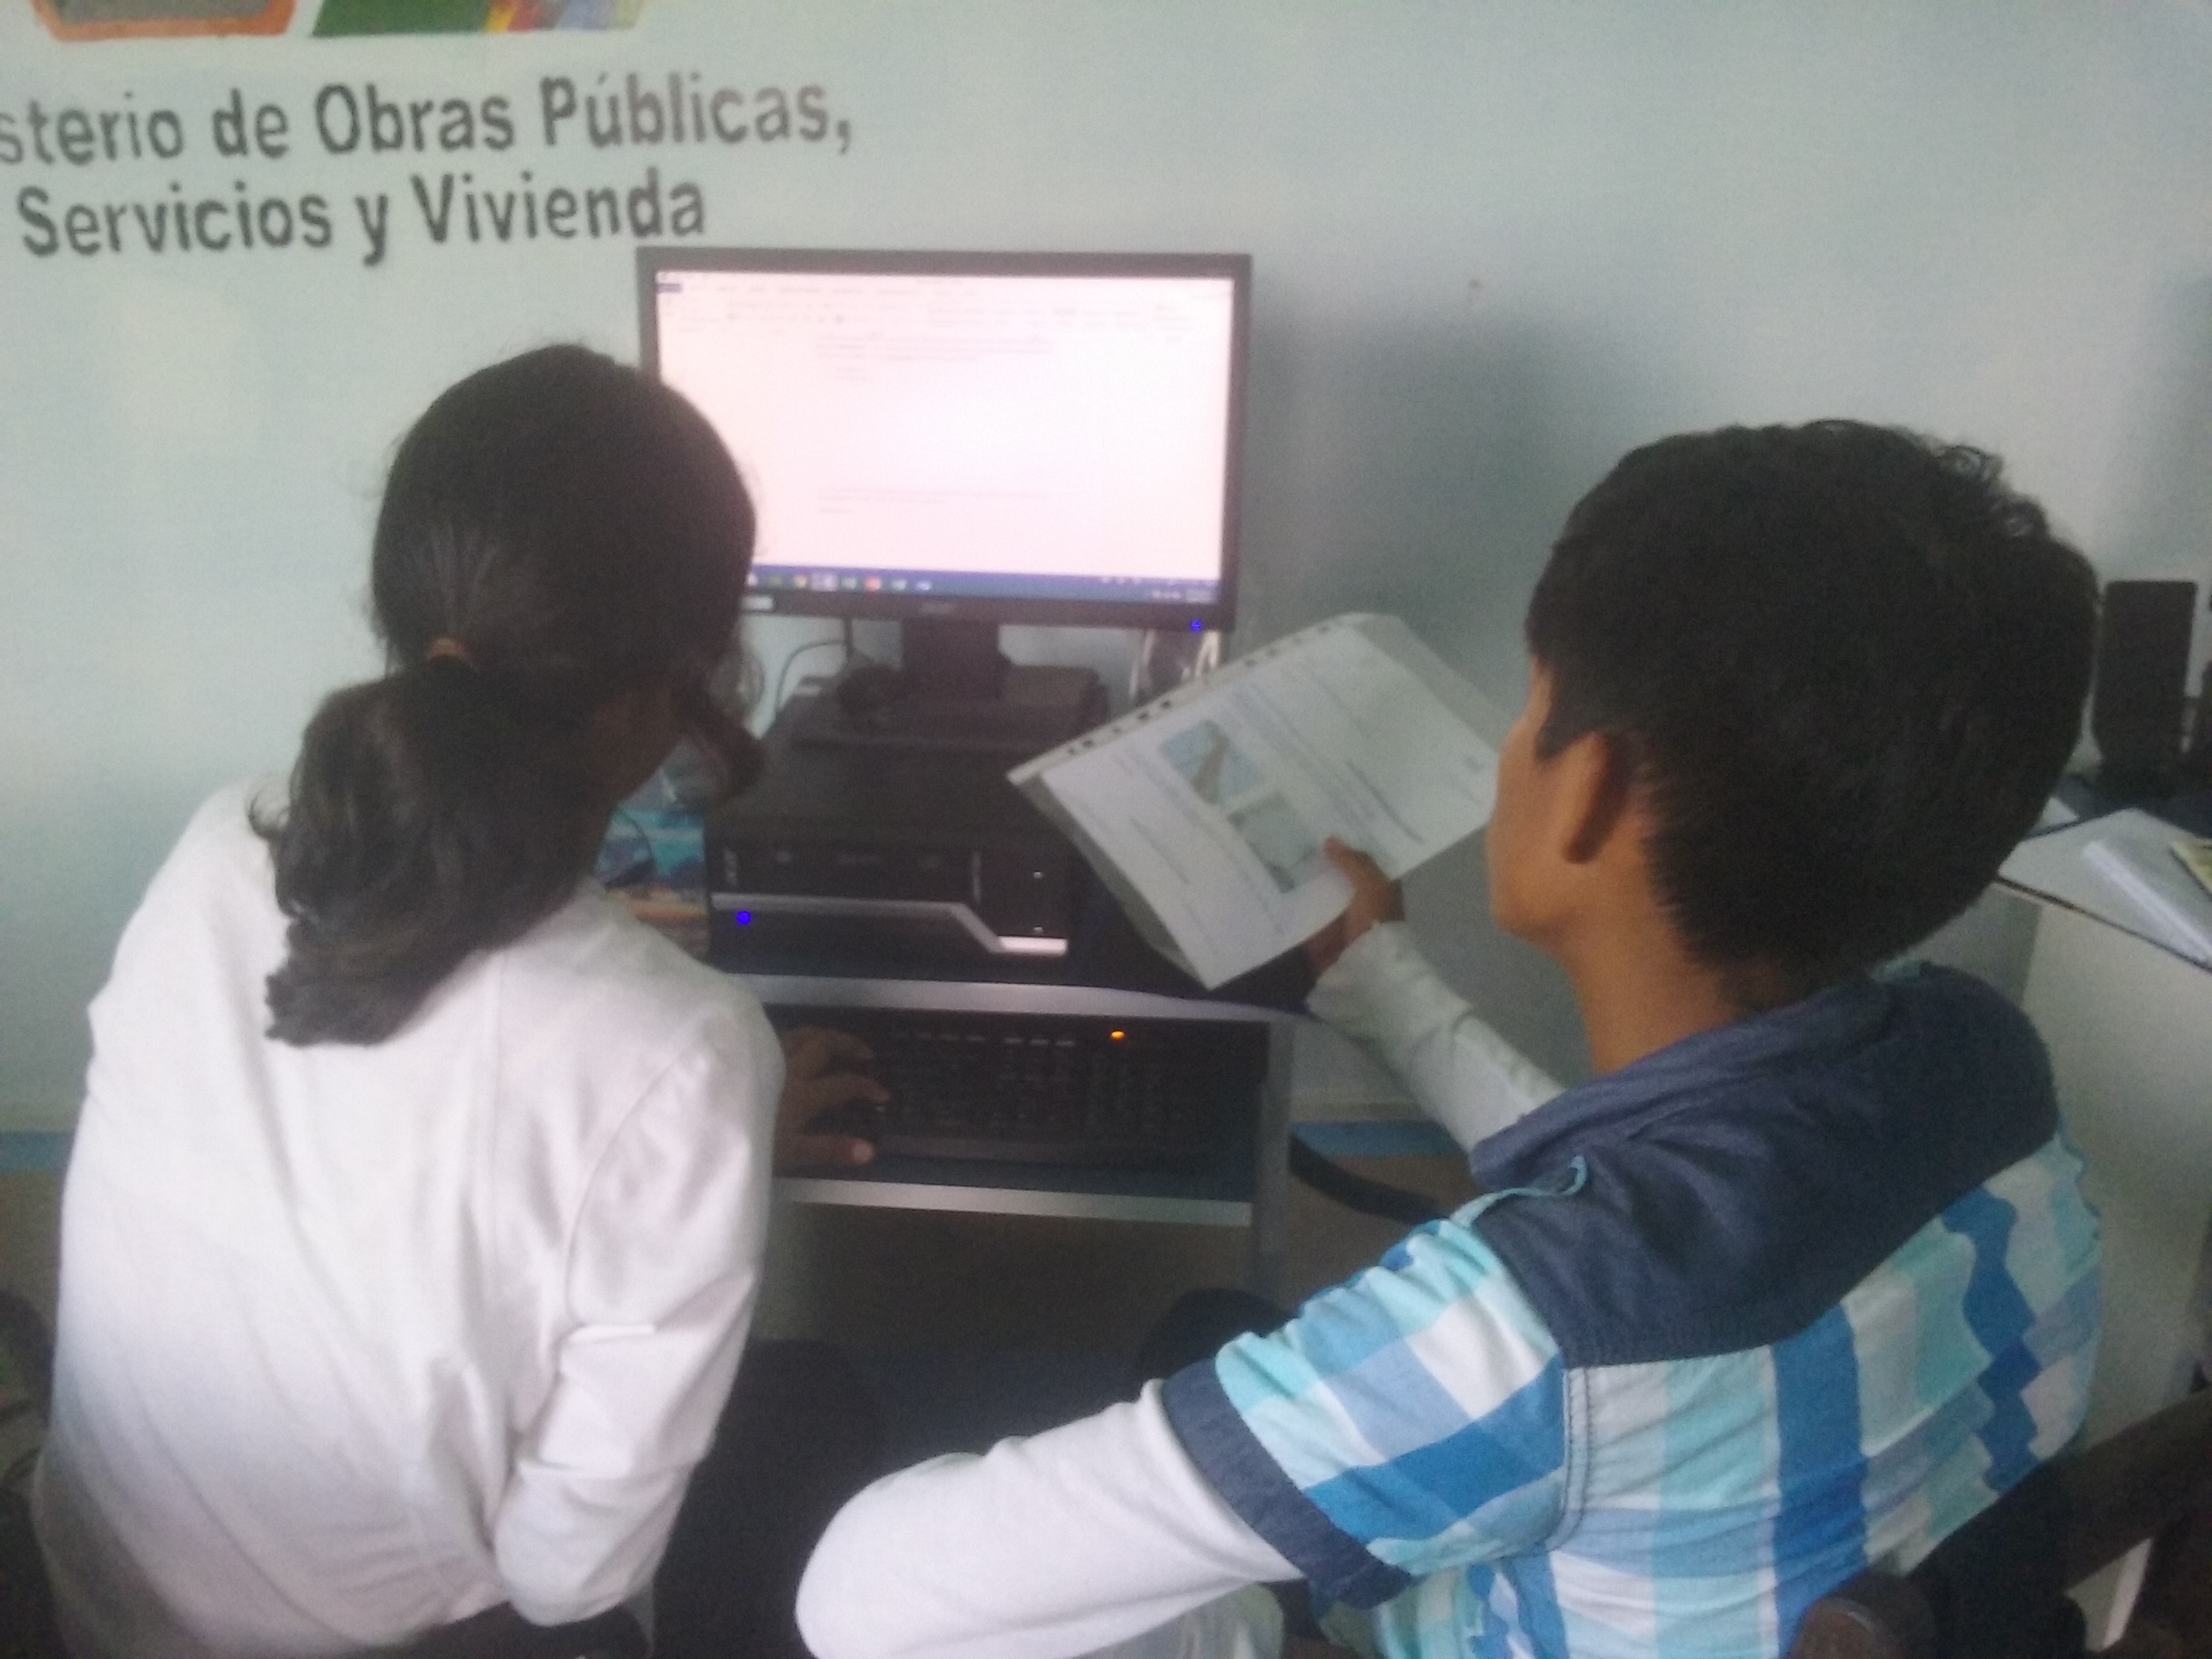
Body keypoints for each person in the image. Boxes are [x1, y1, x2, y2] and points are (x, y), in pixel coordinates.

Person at [794, 421, 2105, 1659]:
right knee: (1206, 1331)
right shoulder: (1986, 1062)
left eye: (1529, 714)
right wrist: (1385, 986)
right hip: (1810, 1569)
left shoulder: (1522, 1341)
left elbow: (864, 1595)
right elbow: (1663, 1206)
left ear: (1589, 791)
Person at [33, 344, 880, 1656]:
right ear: (667, 687)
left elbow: (383, 1165)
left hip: (92, 1601)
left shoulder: (217, 850)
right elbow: (567, 1577)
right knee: (821, 1418)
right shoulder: (681, 1052)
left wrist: (677, 1164)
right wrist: (695, 1158)